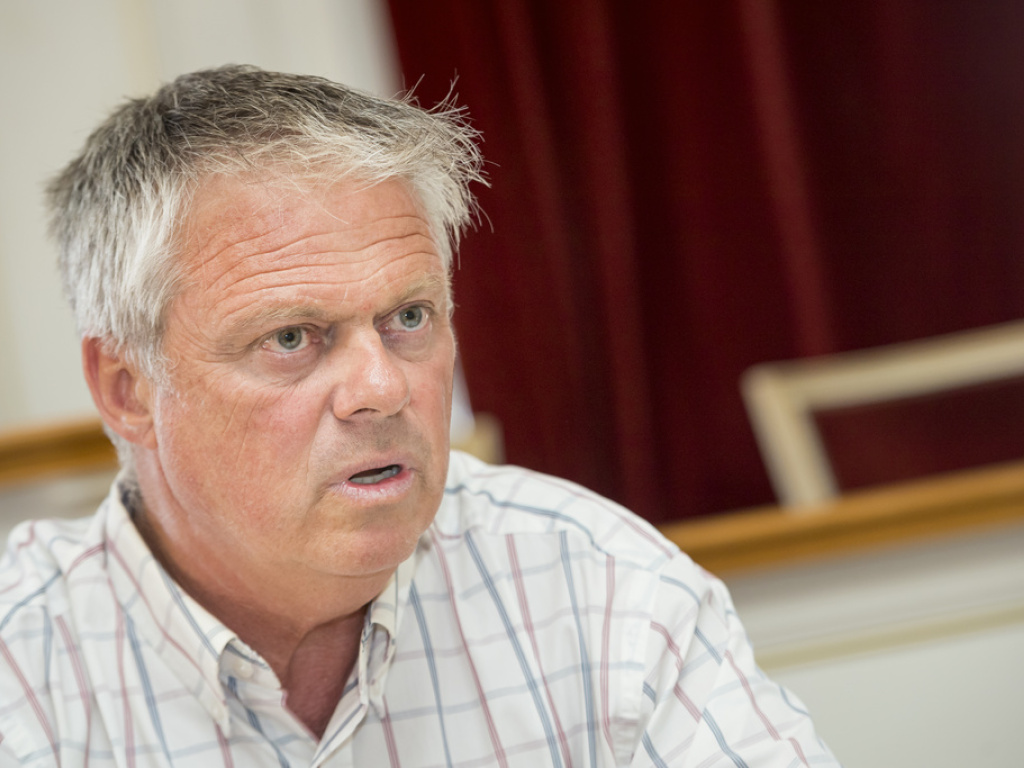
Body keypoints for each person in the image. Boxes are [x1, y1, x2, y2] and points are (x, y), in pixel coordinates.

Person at [0, 65, 839, 767]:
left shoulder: (600, 587)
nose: (382, 387)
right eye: (290, 337)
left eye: (409, 317)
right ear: (128, 390)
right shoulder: (22, 676)